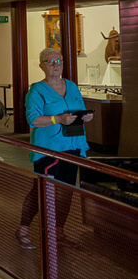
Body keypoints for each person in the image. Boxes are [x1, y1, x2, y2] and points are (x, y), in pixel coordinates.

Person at [16, 48, 94, 250]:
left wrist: (85, 116)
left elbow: (79, 109)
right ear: (41, 65)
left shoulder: (72, 86)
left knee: (66, 191)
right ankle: (24, 229)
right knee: (41, 190)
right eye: (49, 61)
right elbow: (33, 120)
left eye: (58, 61)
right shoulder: (36, 90)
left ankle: (58, 232)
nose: (55, 64)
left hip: (73, 145)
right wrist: (57, 119)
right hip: (49, 149)